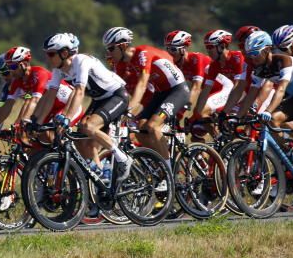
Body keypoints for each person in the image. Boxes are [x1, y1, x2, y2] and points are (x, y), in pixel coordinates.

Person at [236, 30, 293, 186]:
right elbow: (251, 95)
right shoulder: (259, 69)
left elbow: (280, 90)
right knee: (272, 121)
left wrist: (267, 110)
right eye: (249, 54)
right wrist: (239, 117)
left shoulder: (284, 61)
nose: (252, 58)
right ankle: (291, 157)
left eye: (255, 53)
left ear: (267, 50)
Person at [32, 32, 131, 174]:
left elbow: (79, 92)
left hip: (117, 96)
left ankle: (123, 158)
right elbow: (49, 97)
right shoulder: (58, 70)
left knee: (88, 126)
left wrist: (67, 118)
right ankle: (100, 174)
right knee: (82, 139)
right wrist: (37, 122)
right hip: (99, 100)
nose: (48, 58)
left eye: (51, 54)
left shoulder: (81, 61)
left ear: (65, 53)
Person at [106, 27, 189, 159]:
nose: (109, 53)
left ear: (122, 46)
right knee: (140, 130)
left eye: (111, 49)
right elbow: (118, 89)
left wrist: (129, 110)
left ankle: (168, 172)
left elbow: (142, 84)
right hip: (160, 94)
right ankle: (158, 161)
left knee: (153, 126)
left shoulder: (142, 53)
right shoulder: (123, 64)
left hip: (177, 90)